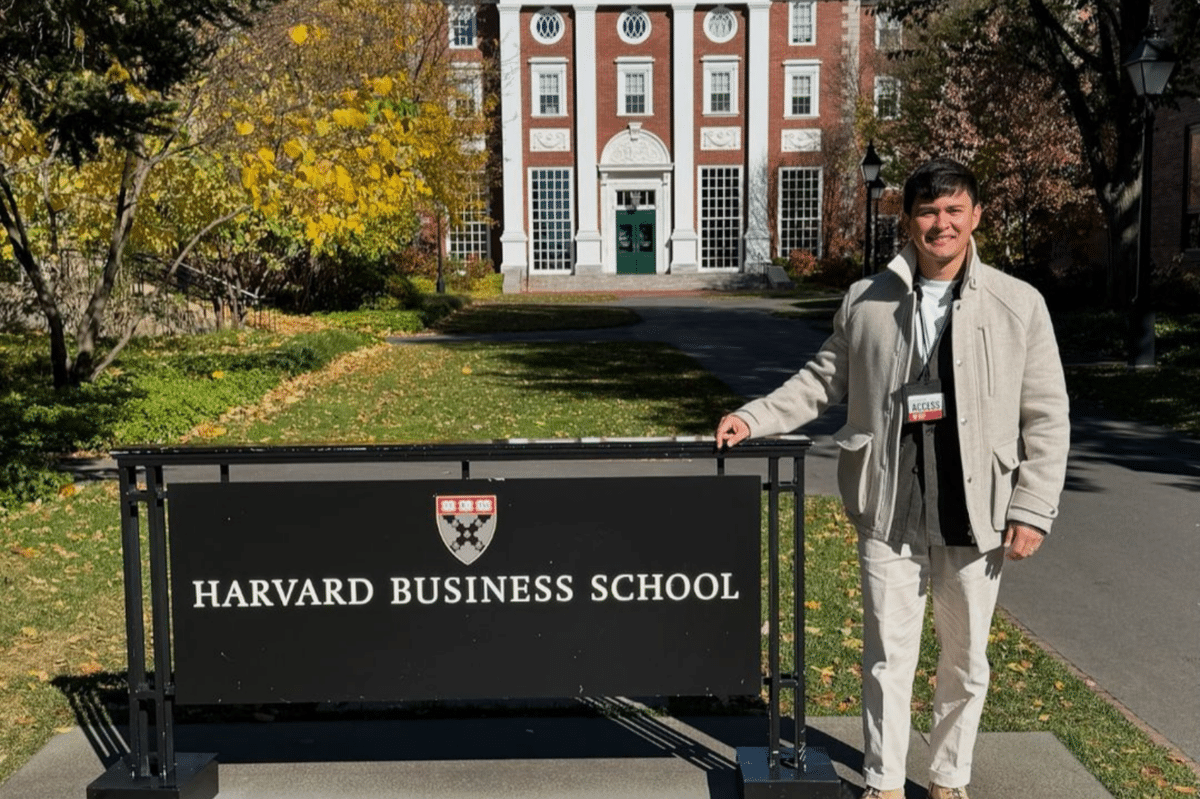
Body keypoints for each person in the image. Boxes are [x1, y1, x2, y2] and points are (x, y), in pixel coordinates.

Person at [715, 158, 1069, 799]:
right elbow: (821, 381)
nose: (942, 224)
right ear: (908, 220)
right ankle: (882, 779)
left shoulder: (1021, 306)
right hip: (888, 503)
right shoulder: (866, 300)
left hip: (975, 508)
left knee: (965, 660)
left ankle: (949, 777)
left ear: (975, 217)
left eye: (955, 210)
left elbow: (1046, 414)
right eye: (929, 212)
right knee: (887, 656)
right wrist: (752, 417)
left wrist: (1034, 506)